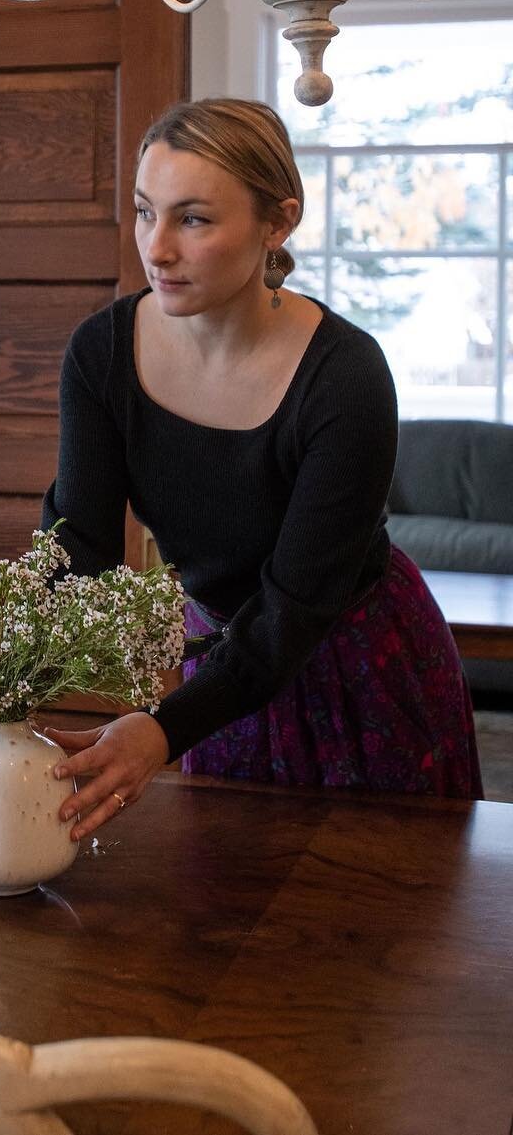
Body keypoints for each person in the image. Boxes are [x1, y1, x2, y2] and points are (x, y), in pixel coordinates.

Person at [31, 97, 484, 844]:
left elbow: (295, 608)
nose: (157, 247)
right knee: (222, 919)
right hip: (222, 681)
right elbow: (79, 552)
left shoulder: (346, 375)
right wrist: (8, 682)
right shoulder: (101, 354)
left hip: (361, 667)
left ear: (278, 222)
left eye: (194, 219)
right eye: (146, 211)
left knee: (375, 925)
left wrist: (163, 728)